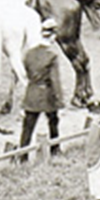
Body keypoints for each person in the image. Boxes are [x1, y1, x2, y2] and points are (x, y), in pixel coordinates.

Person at [20, 20, 65, 161]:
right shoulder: (52, 55)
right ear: (53, 36)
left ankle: (23, 155)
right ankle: (55, 150)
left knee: (28, 126)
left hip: (31, 93)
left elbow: (26, 72)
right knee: (53, 122)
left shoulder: (29, 53)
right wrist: (60, 101)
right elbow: (55, 80)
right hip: (47, 95)